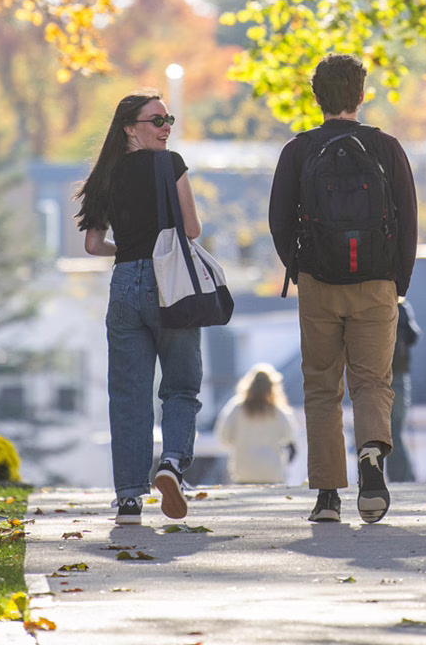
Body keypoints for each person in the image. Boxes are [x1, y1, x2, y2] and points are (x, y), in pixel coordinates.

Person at [269, 53, 418, 524]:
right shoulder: (386, 148)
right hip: (377, 282)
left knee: (321, 386)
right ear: (360, 95)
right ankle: (371, 455)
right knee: (373, 381)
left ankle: (328, 496)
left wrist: (300, 267)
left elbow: (277, 220)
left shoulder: (298, 150)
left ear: (317, 98)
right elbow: (410, 220)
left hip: (318, 282)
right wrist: (398, 281)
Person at [77, 91, 203, 525]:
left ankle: (130, 498)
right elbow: (192, 228)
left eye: (168, 119)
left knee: (129, 395)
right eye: (156, 120)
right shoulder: (170, 165)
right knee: (181, 386)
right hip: (172, 285)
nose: (167, 126)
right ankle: (170, 465)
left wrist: (128, 249)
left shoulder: (103, 177)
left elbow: (93, 245)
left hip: (125, 282)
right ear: (130, 127)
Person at [214, 363, 298, 484]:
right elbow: (289, 436)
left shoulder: (237, 407)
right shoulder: (277, 410)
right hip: (272, 472)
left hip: (243, 471)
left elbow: (224, 436)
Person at [388, 297, 420, 482]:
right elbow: (414, 336)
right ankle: (401, 477)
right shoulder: (401, 307)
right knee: (395, 430)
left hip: (372, 376)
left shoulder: (368, 304)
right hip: (398, 375)